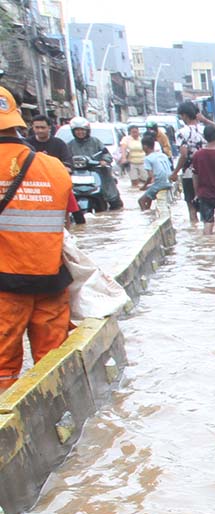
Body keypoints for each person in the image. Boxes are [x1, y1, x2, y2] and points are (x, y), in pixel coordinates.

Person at [0, 86, 75, 390]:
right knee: (52, 362)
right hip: (51, 282)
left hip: (5, 287)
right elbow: (66, 222)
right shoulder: (54, 168)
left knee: (3, 367)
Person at [169, 101, 215, 224]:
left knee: (191, 205)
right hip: (207, 173)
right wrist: (205, 120)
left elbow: (184, 155)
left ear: (184, 115)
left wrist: (175, 172)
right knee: (208, 204)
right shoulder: (205, 130)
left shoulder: (181, 133)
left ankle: (194, 231)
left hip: (189, 174)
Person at [65, 116, 123, 210]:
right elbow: (65, 158)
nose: (80, 132)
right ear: (73, 131)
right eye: (77, 130)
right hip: (76, 174)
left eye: (82, 130)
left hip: (96, 171)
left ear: (87, 130)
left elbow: (106, 154)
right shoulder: (70, 145)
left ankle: (114, 201)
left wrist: (104, 161)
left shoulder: (95, 142)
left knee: (109, 186)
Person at [138, 134, 173, 212]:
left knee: (141, 201)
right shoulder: (163, 155)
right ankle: (149, 211)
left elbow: (150, 177)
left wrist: (144, 186)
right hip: (168, 182)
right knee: (149, 194)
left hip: (160, 184)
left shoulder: (148, 158)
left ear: (145, 146)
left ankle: (147, 215)